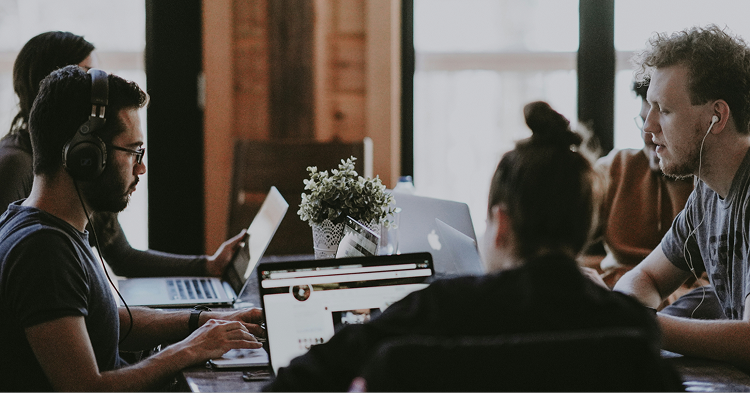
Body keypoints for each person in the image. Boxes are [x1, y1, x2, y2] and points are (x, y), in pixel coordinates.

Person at [264, 101, 661, 391]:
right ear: (585, 226)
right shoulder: (631, 325)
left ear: (501, 224)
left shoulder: (439, 309)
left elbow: (300, 381)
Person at [0, 65, 264, 391]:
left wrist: (203, 320)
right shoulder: (43, 251)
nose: (141, 167)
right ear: (86, 155)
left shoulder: (39, 225)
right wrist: (192, 348)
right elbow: (86, 389)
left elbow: (111, 320)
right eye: (134, 151)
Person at [0, 31, 242, 279]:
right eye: (86, 75)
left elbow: (124, 257)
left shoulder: (92, 161)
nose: (99, 90)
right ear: (53, 83)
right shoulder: (15, 164)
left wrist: (208, 266)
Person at [613, 25, 750, 369]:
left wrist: (641, 324)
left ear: (716, 117)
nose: (649, 127)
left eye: (665, 110)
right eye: (649, 108)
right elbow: (645, 277)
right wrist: (629, 314)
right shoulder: (707, 192)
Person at [588, 80, 724, 319]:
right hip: (627, 295)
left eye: (663, 120)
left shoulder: (711, 188)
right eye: (643, 121)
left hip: (684, 306)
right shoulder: (616, 168)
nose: (648, 134)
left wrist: (634, 312)